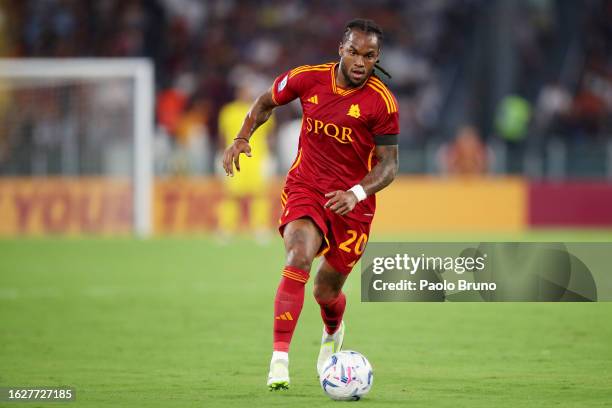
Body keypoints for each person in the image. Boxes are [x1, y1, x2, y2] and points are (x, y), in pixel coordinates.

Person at [222, 18, 400, 390]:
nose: (359, 62)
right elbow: (265, 101)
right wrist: (242, 136)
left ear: (376, 57)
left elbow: (389, 166)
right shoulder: (308, 78)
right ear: (341, 48)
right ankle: (279, 361)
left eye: (368, 56)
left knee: (326, 292)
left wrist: (356, 194)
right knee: (298, 256)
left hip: (353, 207)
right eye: (353, 51)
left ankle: (332, 331)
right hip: (307, 187)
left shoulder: (382, 102)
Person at [218, 78, 275, 240]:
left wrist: (270, 157)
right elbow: (222, 136)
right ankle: (227, 228)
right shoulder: (228, 111)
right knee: (231, 195)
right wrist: (221, 154)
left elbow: (270, 135)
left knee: (259, 195)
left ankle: (260, 228)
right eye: (244, 90)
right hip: (235, 157)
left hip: (257, 158)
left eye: (249, 90)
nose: (246, 93)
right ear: (238, 92)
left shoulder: (263, 109)